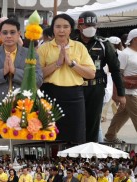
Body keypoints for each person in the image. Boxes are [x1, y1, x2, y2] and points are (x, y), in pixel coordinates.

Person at [37, 14, 96, 143]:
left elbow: (91, 74)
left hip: (74, 95)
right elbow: (36, 75)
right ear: (53, 29)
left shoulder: (79, 47)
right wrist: (57, 63)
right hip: (49, 94)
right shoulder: (43, 49)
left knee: (76, 133)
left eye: (65, 27)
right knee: (49, 134)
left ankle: (73, 161)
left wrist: (71, 63)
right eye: (58, 26)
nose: (61, 30)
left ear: (71, 29)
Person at [0, 18, 43, 137]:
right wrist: (2, 72)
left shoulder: (31, 54)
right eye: (5, 32)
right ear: (0, 34)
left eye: (12, 32)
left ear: (19, 33)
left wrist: (15, 72)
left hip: (24, 111)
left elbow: (38, 81)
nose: (8, 36)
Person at [75, 11, 126, 142]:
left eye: (93, 25)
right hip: (75, 88)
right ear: (79, 26)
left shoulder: (104, 44)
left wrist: (120, 93)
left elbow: (115, 69)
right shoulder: (72, 42)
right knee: (75, 122)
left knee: (93, 123)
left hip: (96, 88)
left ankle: (90, 156)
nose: (90, 28)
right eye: (86, 25)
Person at [105, 28, 137, 142]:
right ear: (135, 39)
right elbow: (117, 74)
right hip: (130, 92)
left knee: (122, 114)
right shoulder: (125, 54)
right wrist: (117, 94)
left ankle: (110, 136)